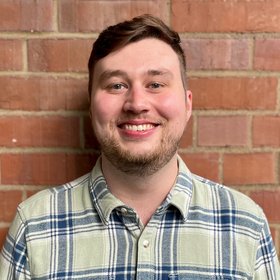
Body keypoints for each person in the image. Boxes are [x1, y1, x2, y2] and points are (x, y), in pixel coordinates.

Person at [0, 14, 279, 280]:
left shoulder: (245, 225)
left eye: (156, 84)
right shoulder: (34, 227)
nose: (136, 103)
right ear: (91, 105)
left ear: (187, 103)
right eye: (116, 85)